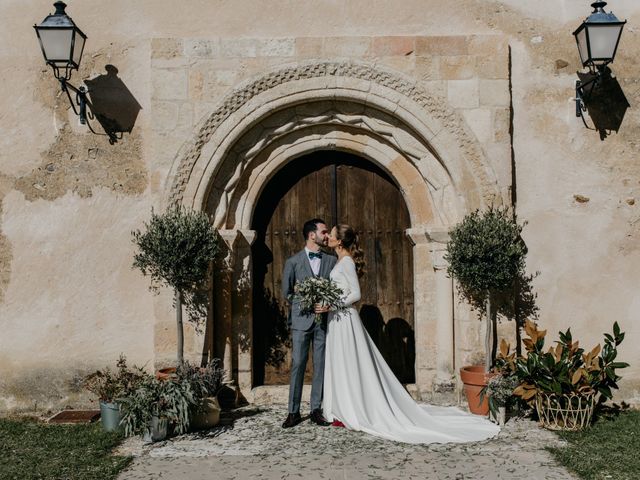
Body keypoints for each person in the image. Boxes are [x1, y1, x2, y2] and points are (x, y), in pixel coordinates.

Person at [318, 224, 500, 443]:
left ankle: (354, 408)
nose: (328, 236)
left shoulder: (346, 262)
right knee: (341, 362)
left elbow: (355, 294)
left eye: (332, 234)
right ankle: (341, 408)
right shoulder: (340, 260)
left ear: (339, 241)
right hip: (338, 319)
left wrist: (332, 305)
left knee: (349, 362)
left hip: (344, 319)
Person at [281, 218, 337, 428]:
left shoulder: (331, 261)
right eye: (324, 232)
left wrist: (327, 303)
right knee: (298, 364)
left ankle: (316, 409)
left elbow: (336, 289)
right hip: (300, 321)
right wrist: (305, 299)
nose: (327, 236)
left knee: (320, 364)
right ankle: (293, 411)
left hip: (323, 321)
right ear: (312, 235)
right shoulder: (293, 262)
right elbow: (286, 293)